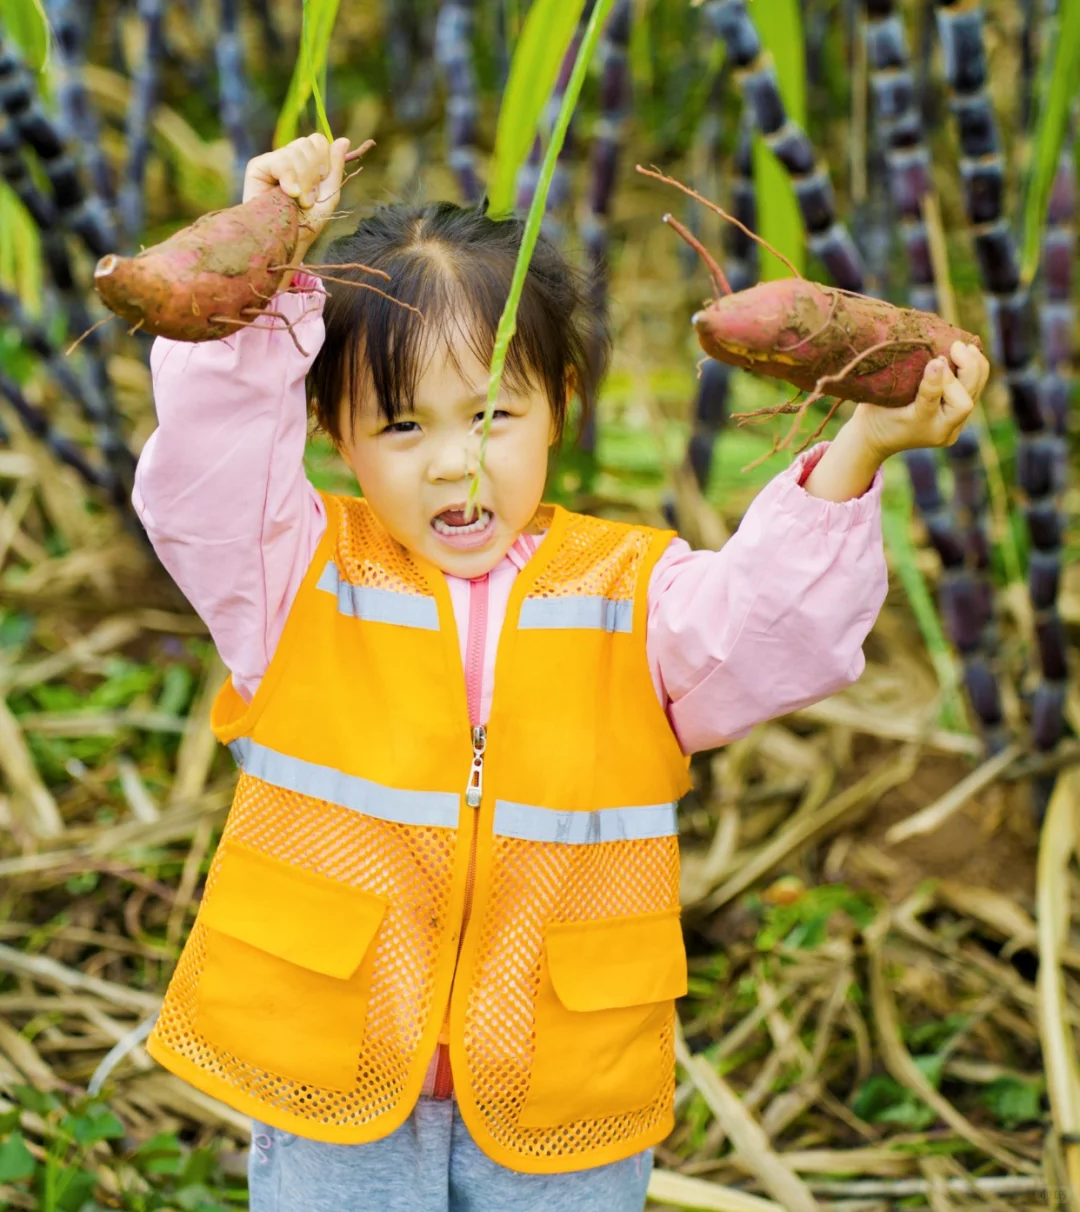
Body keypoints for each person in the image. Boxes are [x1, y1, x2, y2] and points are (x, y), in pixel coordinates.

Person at [133, 133, 990, 1212]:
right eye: (401, 425)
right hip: (329, 1078)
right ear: (333, 434)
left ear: (562, 403)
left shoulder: (636, 591)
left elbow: (778, 629)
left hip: (560, 1092)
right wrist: (263, 268)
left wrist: (863, 447)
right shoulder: (290, 573)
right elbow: (206, 470)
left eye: (493, 413)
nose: (455, 460)